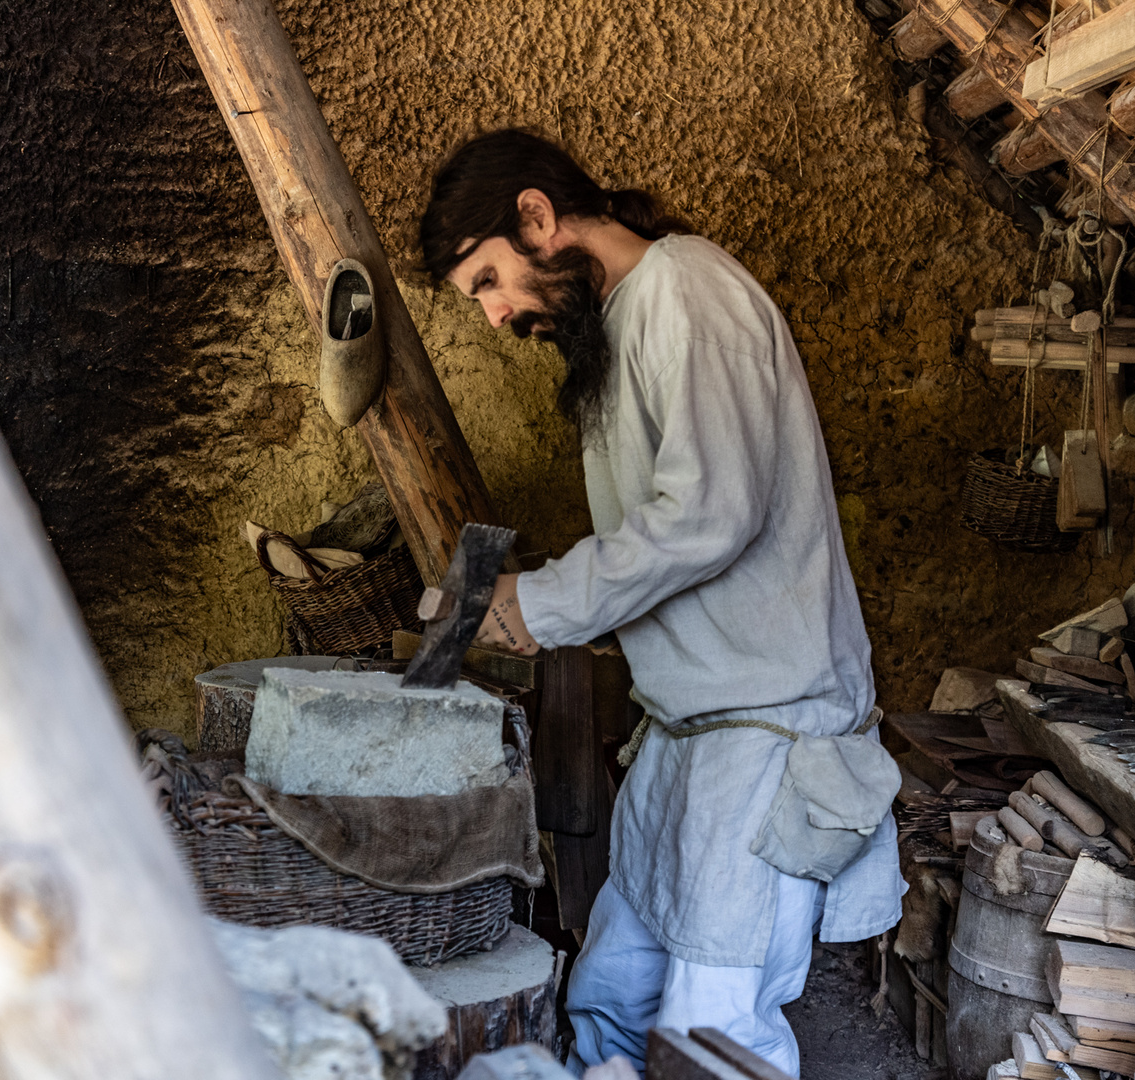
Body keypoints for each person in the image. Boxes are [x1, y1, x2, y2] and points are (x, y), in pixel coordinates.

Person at [419, 129, 905, 1077]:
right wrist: (540, 589)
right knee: (610, 1000)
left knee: (709, 1037)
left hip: (765, 738)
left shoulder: (690, 287)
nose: (492, 314)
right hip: (681, 737)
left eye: (487, 279)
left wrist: (545, 603)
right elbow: (662, 529)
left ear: (535, 216)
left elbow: (713, 511)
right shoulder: (614, 332)